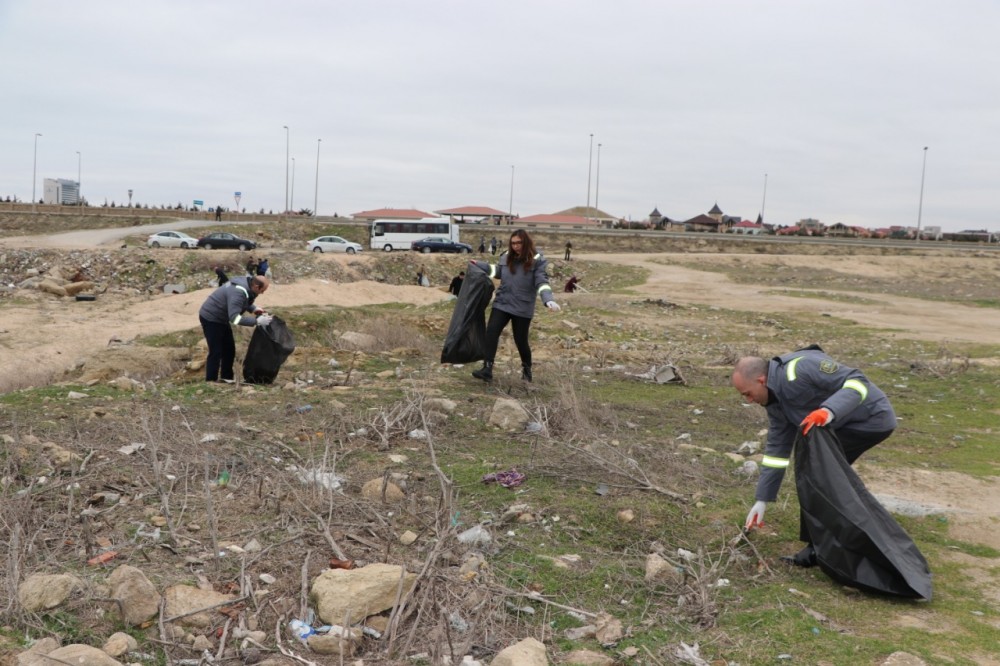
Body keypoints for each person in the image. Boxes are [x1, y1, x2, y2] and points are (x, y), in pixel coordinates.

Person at [731, 346, 897, 567]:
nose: (749, 400)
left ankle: (824, 549)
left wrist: (829, 410)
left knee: (818, 476)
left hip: (870, 420)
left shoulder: (801, 368)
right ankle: (822, 546)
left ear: (761, 380)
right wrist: (762, 499)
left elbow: (858, 381)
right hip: (839, 426)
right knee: (817, 476)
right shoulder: (774, 402)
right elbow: (777, 451)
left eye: (747, 393)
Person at [469, 229, 561, 383]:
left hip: (522, 307)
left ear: (526, 243)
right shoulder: (505, 256)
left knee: (521, 340)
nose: (516, 246)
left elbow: (541, 282)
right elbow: (498, 272)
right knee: (491, 332)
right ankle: (487, 368)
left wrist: (548, 299)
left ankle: (527, 371)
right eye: (513, 243)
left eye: (519, 243)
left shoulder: (537, 260)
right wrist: (480, 265)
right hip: (503, 302)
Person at [198, 275, 271, 383]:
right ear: (256, 286)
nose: (262, 293)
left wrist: (253, 308)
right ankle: (211, 381)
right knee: (216, 351)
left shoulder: (246, 284)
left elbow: (244, 300)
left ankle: (226, 379)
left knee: (229, 350)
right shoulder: (238, 292)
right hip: (211, 318)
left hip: (222, 318)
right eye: (262, 290)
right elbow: (235, 319)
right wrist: (256, 321)